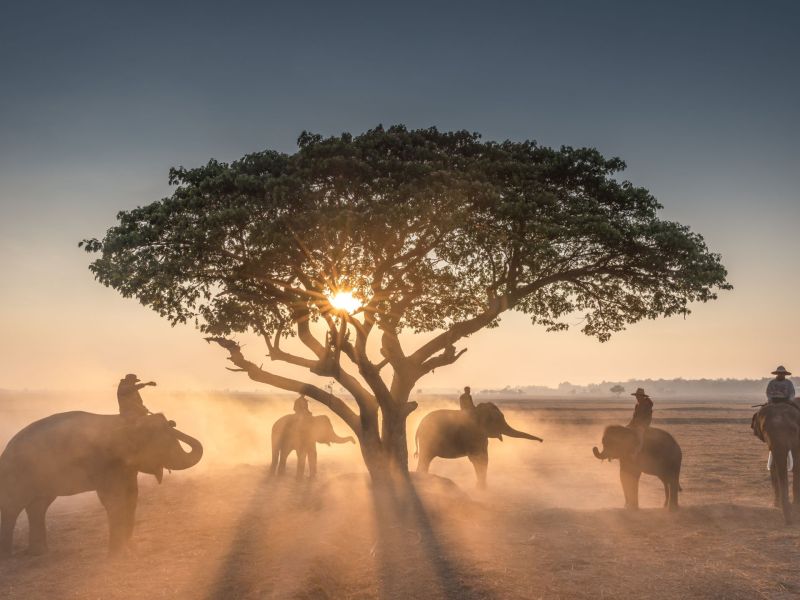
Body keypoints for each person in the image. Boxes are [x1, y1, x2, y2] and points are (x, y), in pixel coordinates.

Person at [764, 366, 796, 472]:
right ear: (777, 373)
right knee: (761, 414)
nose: (781, 375)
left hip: (786, 402)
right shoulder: (772, 383)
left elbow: (792, 393)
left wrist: (790, 400)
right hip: (773, 401)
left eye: (783, 373)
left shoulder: (789, 384)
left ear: (785, 374)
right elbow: (768, 393)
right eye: (780, 373)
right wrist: (769, 400)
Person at [627, 388, 653, 456]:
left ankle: (636, 453)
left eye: (638, 396)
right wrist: (629, 425)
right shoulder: (637, 405)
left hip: (643, 425)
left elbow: (648, 417)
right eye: (636, 396)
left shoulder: (647, 404)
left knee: (639, 435)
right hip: (635, 424)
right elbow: (634, 418)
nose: (637, 397)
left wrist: (642, 425)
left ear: (642, 396)